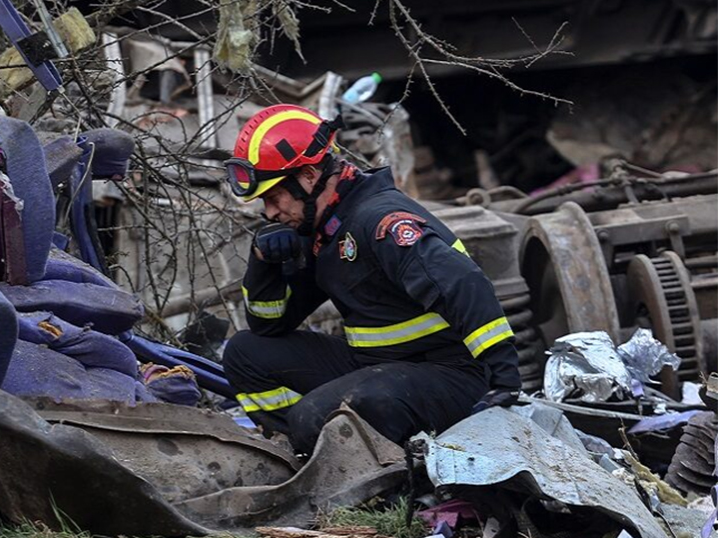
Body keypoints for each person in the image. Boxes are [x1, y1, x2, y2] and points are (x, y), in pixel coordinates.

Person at [222, 104, 521, 454]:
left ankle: (376, 466)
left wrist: (504, 380)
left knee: (314, 418)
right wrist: (264, 263)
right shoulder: (324, 228)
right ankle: (306, 453)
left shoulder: (380, 221)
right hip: (377, 366)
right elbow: (269, 325)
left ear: (308, 176)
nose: (270, 212)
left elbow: (465, 282)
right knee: (244, 353)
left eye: (274, 197)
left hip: (449, 373)